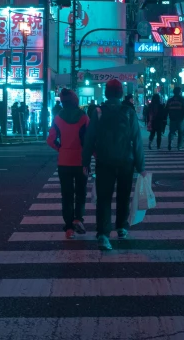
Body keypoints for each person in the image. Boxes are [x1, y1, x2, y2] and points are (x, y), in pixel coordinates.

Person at [82, 79, 145, 251]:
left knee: (104, 198)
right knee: (123, 195)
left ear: (106, 93)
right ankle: (122, 228)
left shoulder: (98, 112)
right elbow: (137, 140)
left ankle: (103, 234)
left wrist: (85, 160)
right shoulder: (129, 112)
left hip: (104, 161)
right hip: (126, 161)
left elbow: (89, 138)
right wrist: (141, 166)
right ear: (121, 93)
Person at [48, 89, 91, 239]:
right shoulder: (84, 118)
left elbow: (51, 140)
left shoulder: (58, 118)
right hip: (81, 161)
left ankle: (68, 229)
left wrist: (61, 148)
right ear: (75, 100)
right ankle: (78, 219)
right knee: (81, 193)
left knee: (67, 195)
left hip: (64, 162)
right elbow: (89, 140)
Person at [166, 87, 184, 151]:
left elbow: (166, 109)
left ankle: (170, 142)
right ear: (179, 92)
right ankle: (179, 146)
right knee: (181, 132)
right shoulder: (182, 100)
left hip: (172, 118)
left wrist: (165, 117)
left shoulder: (170, 100)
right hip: (180, 118)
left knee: (172, 131)